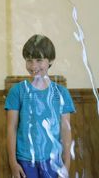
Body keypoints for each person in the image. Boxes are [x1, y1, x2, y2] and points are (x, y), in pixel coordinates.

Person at [5, 34, 75, 178]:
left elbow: (65, 130)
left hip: (53, 160)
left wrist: (67, 164)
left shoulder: (61, 93)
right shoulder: (17, 91)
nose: (33, 66)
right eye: (29, 60)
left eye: (39, 60)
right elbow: (11, 128)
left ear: (50, 61)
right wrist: (13, 163)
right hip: (24, 160)